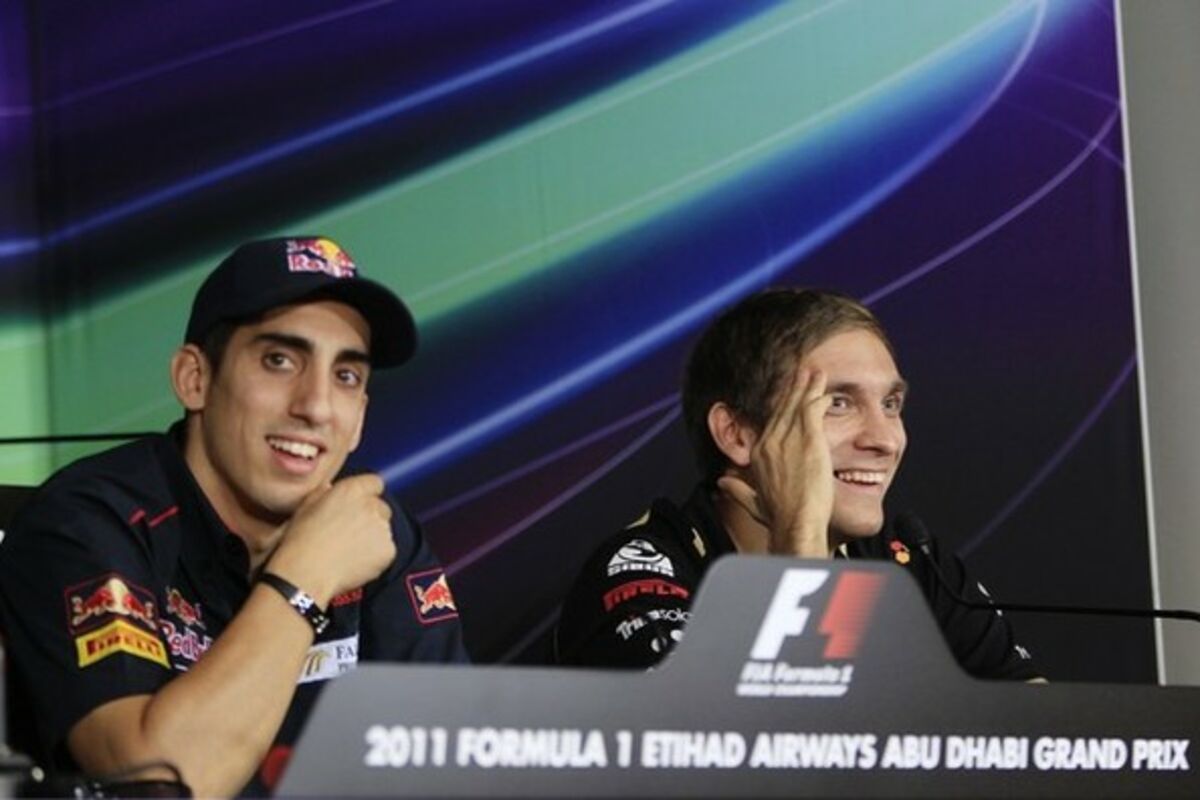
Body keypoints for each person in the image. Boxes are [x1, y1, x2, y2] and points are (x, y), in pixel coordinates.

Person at [0, 237, 468, 797]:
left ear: (360, 417)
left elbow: (454, 765)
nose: (316, 407)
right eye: (279, 361)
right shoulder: (85, 523)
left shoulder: (373, 530)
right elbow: (156, 783)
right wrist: (305, 576)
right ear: (194, 379)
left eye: (346, 376)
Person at [554, 288, 1038, 680]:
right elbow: (776, 753)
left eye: (891, 405)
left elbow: (1040, 742)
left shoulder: (911, 565)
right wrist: (801, 541)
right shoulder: (644, 574)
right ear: (738, 434)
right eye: (838, 403)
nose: (886, 440)